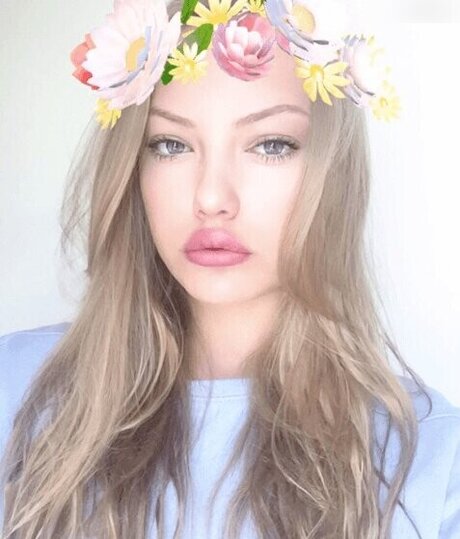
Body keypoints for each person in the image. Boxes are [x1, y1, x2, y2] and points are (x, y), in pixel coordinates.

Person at [1, 0, 459, 537]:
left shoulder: (429, 457)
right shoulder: (16, 387)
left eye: (271, 145)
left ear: (332, 173)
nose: (212, 197)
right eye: (171, 144)